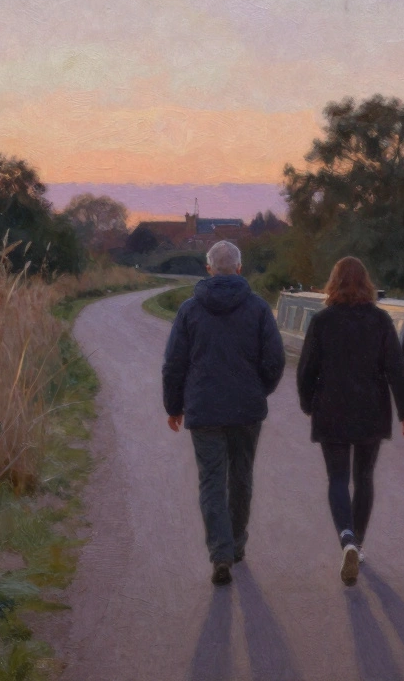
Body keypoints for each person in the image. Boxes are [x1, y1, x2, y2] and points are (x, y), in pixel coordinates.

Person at [162, 241, 285, 586]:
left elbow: (174, 364)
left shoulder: (189, 310)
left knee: (211, 481)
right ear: (240, 269)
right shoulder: (259, 309)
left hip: (204, 410)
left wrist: (174, 406)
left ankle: (220, 553)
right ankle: (237, 544)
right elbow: (275, 360)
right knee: (242, 476)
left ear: (209, 269)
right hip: (247, 409)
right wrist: (259, 389)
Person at [296, 257, 404, 586]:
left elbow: (307, 369)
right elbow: (396, 368)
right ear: (366, 283)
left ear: (332, 283)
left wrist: (308, 403)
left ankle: (346, 538)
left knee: (337, 478)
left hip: (331, 409)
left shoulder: (321, 321)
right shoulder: (379, 321)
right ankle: (358, 544)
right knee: (364, 476)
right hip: (370, 410)